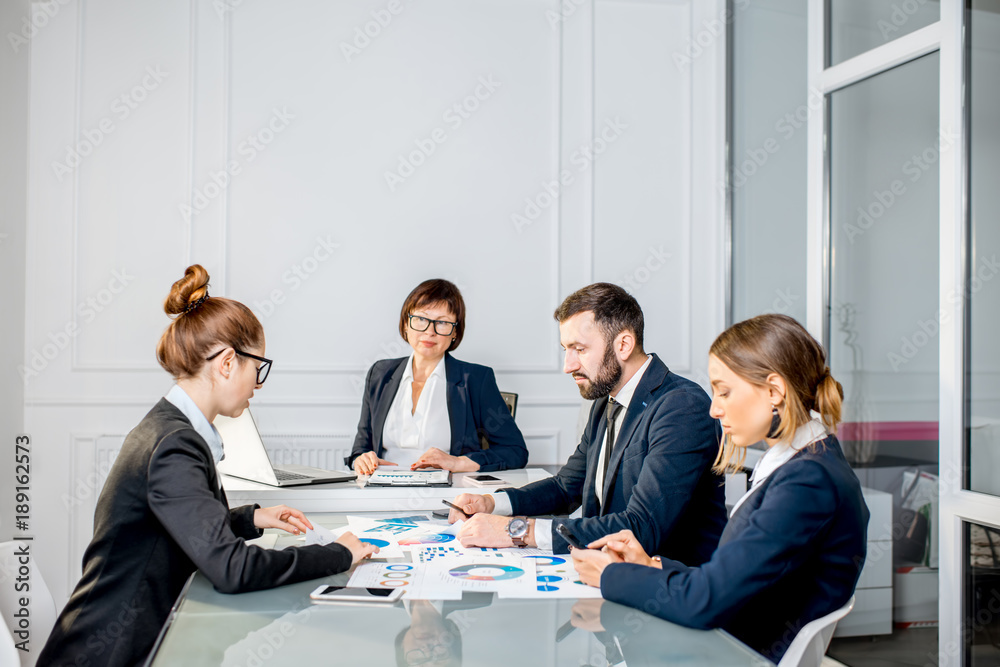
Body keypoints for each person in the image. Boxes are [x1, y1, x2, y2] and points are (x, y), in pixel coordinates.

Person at [39, 265, 377, 667]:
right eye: (259, 368)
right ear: (228, 362)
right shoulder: (174, 445)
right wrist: (337, 553)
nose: (259, 384)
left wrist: (250, 518)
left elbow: (176, 529)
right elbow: (231, 569)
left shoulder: (168, 427)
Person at [571, 313, 870, 663]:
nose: (714, 409)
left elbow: (706, 602)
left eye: (725, 392)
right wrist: (651, 566)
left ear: (774, 391)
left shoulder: (807, 483)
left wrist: (613, 575)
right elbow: (734, 579)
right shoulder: (810, 463)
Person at [450, 283, 726, 562]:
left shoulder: (682, 407)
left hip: (668, 585)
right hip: (606, 571)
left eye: (579, 349)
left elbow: (642, 528)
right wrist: (492, 503)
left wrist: (517, 531)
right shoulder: (606, 402)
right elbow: (565, 487)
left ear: (624, 345)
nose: (568, 366)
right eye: (566, 350)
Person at [347, 279, 527, 475]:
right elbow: (361, 448)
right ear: (406, 324)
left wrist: (458, 463)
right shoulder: (380, 374)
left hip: (446, 493)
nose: (429, 332)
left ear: (454, 332)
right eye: (421, 319)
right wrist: (360, 459)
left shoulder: (476, 379)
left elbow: (515, 451)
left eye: (442, 322)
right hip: (381, 489)